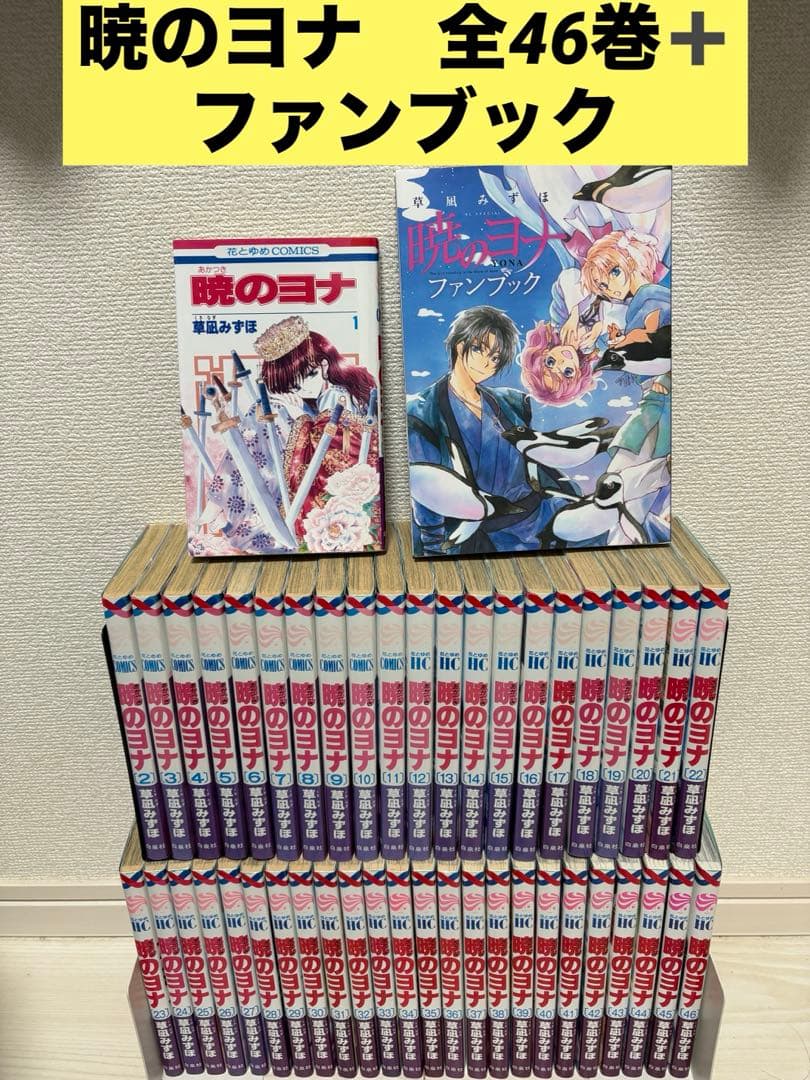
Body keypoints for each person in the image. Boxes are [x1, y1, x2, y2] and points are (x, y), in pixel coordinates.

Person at [406, 305, 577, 555]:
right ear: (459, 346)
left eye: (495, 358)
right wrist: (434, 545)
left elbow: (536, 462)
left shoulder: (512, 403)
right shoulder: (423, 411)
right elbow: (426, 488)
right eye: (479, 349)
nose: (487, 363)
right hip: (475, 534)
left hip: (538, 519)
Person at [201, 316, 381, 551]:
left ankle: (221, 501)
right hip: (310, 465)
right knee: (263, 418)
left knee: (266, 419)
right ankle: (224, 502)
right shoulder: (320, 395)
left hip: (327, 476)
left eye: (308, 376)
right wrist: (298, 409)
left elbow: (333, 444)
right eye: (293, 387)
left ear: (323, 366)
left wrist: (298, 412)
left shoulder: (337, 395)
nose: (302, 389)